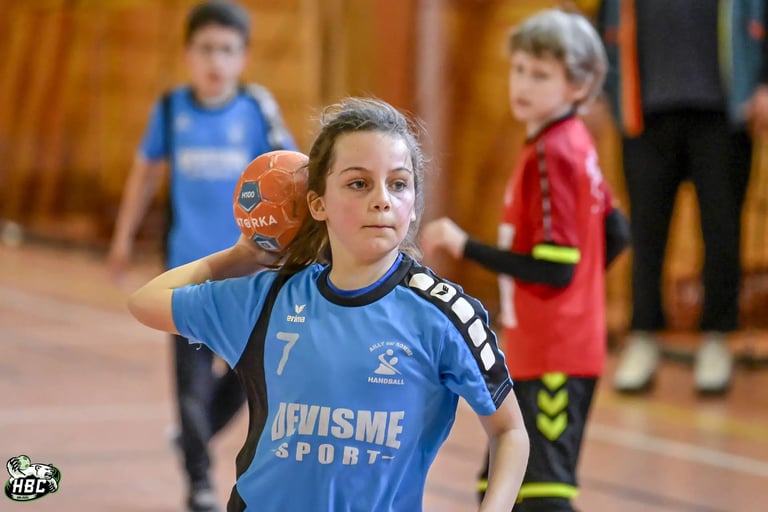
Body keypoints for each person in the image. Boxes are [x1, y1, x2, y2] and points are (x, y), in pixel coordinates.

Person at [126, 97, 530, 512]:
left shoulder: (444, 315)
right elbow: (146, 302)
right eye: (359, 183)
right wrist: (239, 257)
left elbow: (510, 432)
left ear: (413, 207)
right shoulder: (270, 298)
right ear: (318, 204)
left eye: (398, 184)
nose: (382, 200)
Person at [420, 10, 630, 512]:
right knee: (502, 485)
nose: (523, 84)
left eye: (540, 74)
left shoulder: (553, 152)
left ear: (579, 85)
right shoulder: (567, 142)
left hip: (556, 351)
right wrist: (582, 299)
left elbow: (556, 267)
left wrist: (464, 245)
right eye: (518, 69)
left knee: (540, 494)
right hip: (547, 344)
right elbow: (616, 232)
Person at [107, 1, 296, 510]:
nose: (216, 60)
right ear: (188, 54)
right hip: (188, 274)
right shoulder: (171, 110)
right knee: (190, 384)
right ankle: (199, 483)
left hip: (248, 274)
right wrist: (123, 237)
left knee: (248, 375)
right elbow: (145, 175)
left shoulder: (257, 110)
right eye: (206, 49)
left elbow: (294, 176)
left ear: (243, 57)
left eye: (227, 50)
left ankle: (194, 437)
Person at [598, 0, 767, 394]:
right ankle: (643, 336)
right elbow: (604, 20)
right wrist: (603, 90)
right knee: (645, 234)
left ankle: (717, 339)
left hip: (723, 115)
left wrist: (762, 82)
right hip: (645, 112)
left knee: (722, 230)